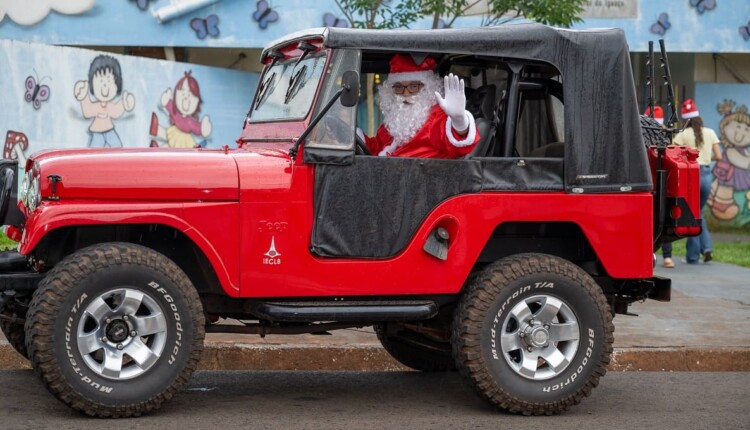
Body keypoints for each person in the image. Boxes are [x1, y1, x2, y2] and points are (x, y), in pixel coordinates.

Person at [358, 54, 480, 158]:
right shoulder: (395, 121)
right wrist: (351, 134)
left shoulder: (437, 117)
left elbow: (458, 145)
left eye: (413, 87)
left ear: (427, 88)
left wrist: (459, 121)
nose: (405, 94)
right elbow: (375, 148)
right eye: (399, 87)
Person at [673, 99, 722, 264]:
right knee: (697, 213)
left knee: (692, 215)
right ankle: (706, 248)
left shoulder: (682, 135)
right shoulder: (710, 132)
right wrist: (706, 158)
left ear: (684, 119)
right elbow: (719, 156)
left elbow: (674, 155)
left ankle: (693, 256)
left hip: (691, 177)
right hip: (707, 175)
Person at [74, 55, 135, 147]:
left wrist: (124, 103)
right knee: (94, 152)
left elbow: (116, 112)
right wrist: (83, 96)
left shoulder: (110, 106)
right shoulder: (96, 106)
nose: (105, 86)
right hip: (97, 132)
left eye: (109, 81)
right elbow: (87, 112)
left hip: (110, 130)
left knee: (117, 147)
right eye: (101, 81)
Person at [645, 106, 675, 268]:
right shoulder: (666, 135)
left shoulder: (640, 131)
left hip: (646, 183)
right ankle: (667, 257)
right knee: (662, 220)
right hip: (662, 183)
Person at [150, 71, 212, 148]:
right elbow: (170, 106)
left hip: (184, 140)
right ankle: (156, 132)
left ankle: (156, 131)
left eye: (190, 95)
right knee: (169, 139)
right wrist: (166, 100)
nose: (185, 98)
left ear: (197, 101)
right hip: (174, 132)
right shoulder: (176, 112)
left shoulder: (190, 122)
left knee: (170, 144)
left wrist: (203, 127)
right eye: (182, 93)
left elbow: (198, 128)